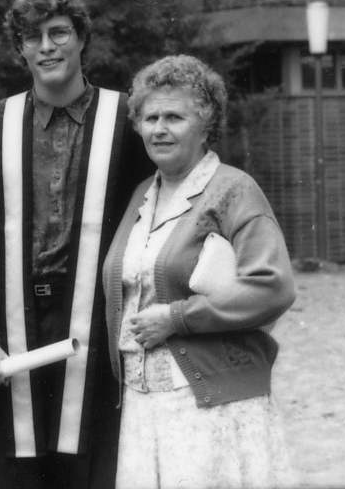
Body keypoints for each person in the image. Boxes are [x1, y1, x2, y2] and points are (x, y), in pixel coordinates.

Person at [0, 0, 153, 489]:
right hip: (13, 331)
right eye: (32, 37)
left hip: (99, 337)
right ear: (20, 48)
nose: (46, 47)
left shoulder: (126, 122)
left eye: (59, 33)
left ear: (82, 38)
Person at [101, 55, 296, 488]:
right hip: (142, 403)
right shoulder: (142, 194)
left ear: (206, 126)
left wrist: (177, 317)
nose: (159, 129)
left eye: (175, 117)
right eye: (150, 118)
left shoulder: (234, 190)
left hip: (212, 404)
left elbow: (273, 286)